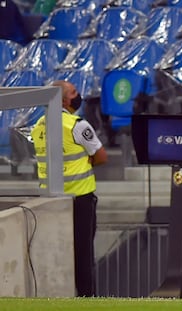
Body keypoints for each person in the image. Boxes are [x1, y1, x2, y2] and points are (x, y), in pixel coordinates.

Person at [31, 80, 108, 297]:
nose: (78, 94)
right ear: (63, 99)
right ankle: (87, 299)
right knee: (83, 255)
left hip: (50, 200)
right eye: (74, 91)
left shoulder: (38, 126)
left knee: (58, 253)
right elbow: (102, 156)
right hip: (80, 199)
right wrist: (86, 162)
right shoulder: (77, 125)